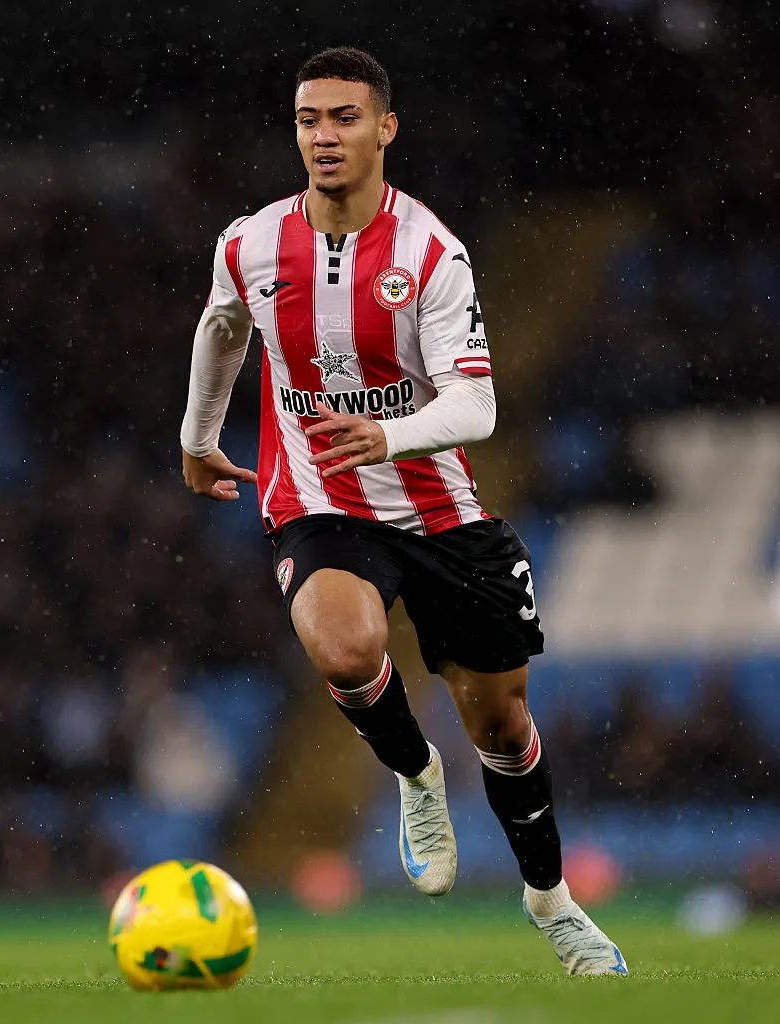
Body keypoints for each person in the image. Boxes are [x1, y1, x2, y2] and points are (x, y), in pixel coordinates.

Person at [180, 46, 627, 977]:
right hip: (319, 502)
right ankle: (414, 772)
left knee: (501, 728)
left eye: (344, 117)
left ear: (385, 128)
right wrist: (198, 433)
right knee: (343, 648)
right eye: (308, 119)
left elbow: (477, 407)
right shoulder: (250, 242)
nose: (323, 135)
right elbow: (224, 323)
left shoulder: (430, 250)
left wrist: (385, 438)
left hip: (438, 511)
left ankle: (552, 902)